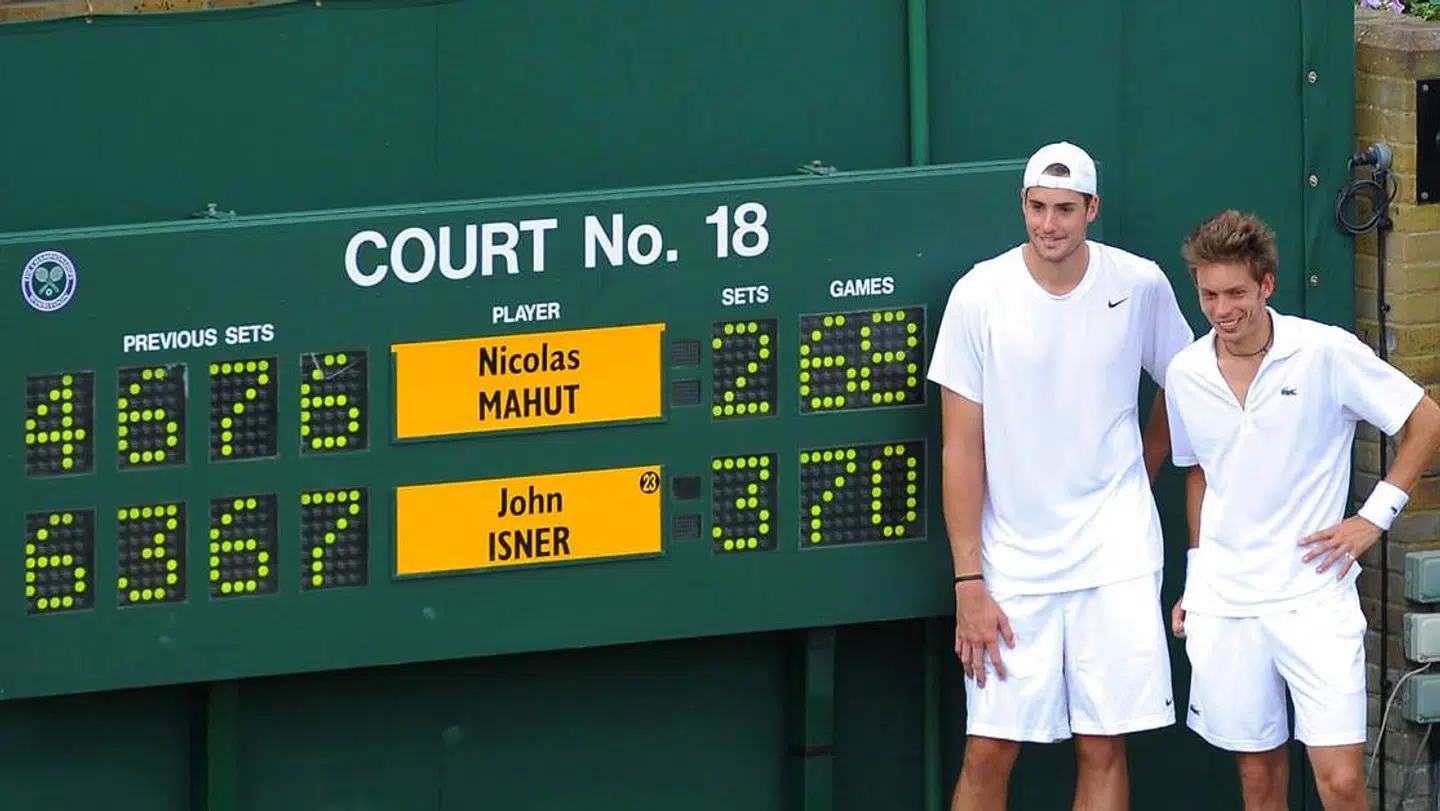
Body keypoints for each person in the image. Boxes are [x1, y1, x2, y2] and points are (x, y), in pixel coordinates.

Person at [926, 141, 1195, 810]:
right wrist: (969, 581)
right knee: (988, 748)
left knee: (1103, 743)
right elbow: (960, 448)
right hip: (1012, 559)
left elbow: (1187, 383)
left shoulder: (1139, 284)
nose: (1049, 224)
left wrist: (1142, 462)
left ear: (1092, 210)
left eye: (1065, 210)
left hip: (1116, 552)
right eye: (1038, 208)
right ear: (1023, 204)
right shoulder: (978, 295)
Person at [1164, 210, 1440, 811]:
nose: (1221, 308)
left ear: (1266, 285)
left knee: (1340, 783)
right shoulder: (1185, 373)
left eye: (1235, 292)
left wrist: (1374, 517)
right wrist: (1197, 576)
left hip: (1315, 599)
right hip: (1227, 602)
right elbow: (1202, 475)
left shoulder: (1325, 353)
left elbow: (1426, 420)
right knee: (1259, 782)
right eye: (1209, 294)